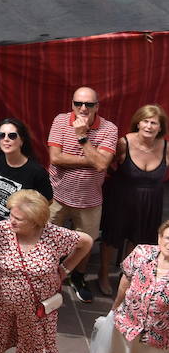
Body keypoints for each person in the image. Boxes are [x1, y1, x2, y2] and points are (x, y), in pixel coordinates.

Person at [0, 189, 93, 353]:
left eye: (19, 219)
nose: (12, 220)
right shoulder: (3, 230)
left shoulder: (55, 235)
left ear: (36, 221)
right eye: (11, 214)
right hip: (2, 297)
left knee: (35, 337)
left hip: (39, 303)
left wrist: (64, 269)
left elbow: (86, 242)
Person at [46, 85, 117, 303]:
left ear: (97, 106)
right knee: (46, 237)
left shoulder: (109, 129)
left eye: (88, 104)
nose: (83, 108)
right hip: (56, 195)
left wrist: (82, 137)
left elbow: (102, 165)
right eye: (78, 103)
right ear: (72, 104)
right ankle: (47, 276)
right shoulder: (60, 120)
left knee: (85, 243)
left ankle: (78, 277)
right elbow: (55, 158)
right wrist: (93, 159)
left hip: (89, 200)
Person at [98, 104, 168, 297]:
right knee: (112, 239)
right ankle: (103, 274)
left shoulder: (166, 147)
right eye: (145, 121)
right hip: (121, 198)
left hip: (150, 202)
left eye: (154, 122)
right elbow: (104, 165)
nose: (148, 126)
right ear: (138, 123)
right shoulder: (123, 143)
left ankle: (126, 274)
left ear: (161, 127)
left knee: (137, 241)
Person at [111, 219, 169, 353]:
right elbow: (125, 281)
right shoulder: (142, 253)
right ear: (159, 238)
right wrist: (116, 305)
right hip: (133, 323)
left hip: (162, 334)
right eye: (168, 238)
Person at [0, 118, 53, 237]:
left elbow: (47, 201)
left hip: (17, 231)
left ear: (22, 141)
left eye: (12, 136)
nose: (6, 139)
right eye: (1, 135)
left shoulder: (36, 171)